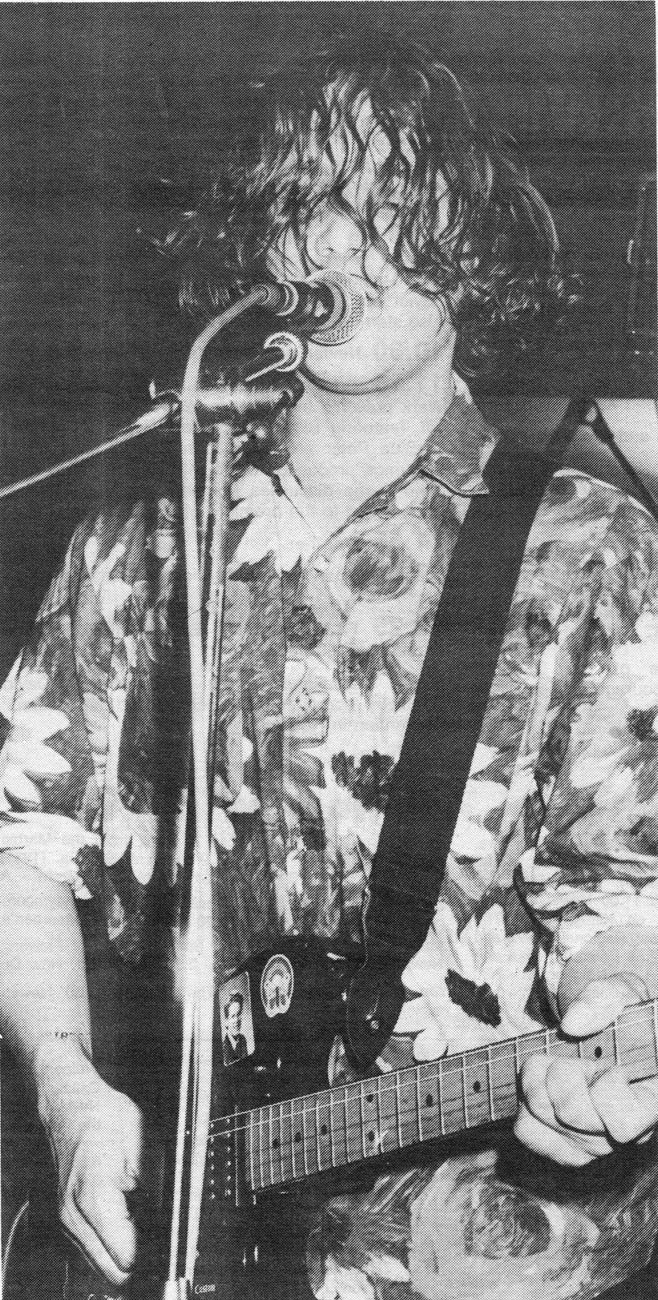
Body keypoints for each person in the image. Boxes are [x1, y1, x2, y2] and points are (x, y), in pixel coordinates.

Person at [0, 29, 657, 1300]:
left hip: (479, 1243)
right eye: (302, 201)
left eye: (384, 199)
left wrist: (613, 1028)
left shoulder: (587, 550)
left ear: (471, 241)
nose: (332, 243)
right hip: (191, 1239)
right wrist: (67, 1082)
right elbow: (23, 842)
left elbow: (624, 896)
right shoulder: (142, 543)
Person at [222, 992, 248, 1065]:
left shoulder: (242, 1039)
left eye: (238, 1014)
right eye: (233, 1016)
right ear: (226, 1021)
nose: (236, 1020)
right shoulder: (223, 1048)